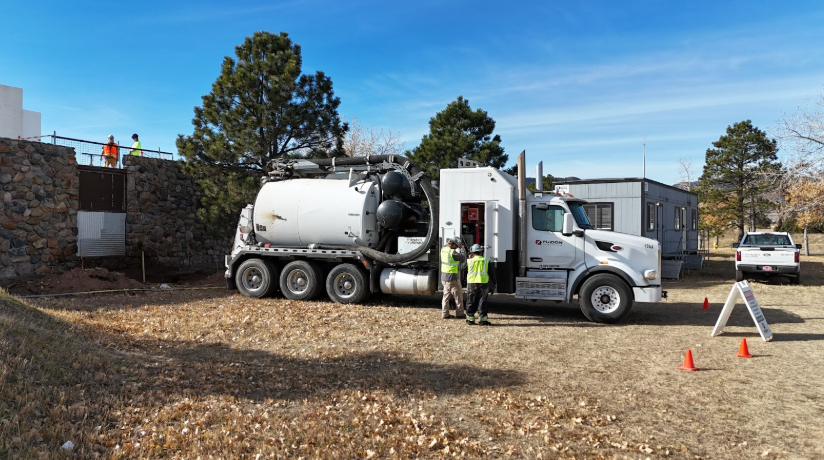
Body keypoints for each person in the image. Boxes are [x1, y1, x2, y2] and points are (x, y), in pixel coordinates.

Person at [465, 244, 496, 326]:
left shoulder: (469, 261)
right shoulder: (486, 261)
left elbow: (462, 267)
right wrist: (494, 283)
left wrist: (469, 258)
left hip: (472, 283)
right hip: (483, 284)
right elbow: (492, 274)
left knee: (471, 301)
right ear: (481, 252)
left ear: (472, 252)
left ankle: (470, 319)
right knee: (482, 302)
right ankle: (483, 320)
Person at [440, 237, 466, 319]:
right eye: (457, 246)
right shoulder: (452, 253)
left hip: (444, 277)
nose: (457, 247)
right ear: (453, 244)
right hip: (452, 277)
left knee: (446, 296)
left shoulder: (443, 249)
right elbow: (462, 257)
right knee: (458, 296)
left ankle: (445, 314)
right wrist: (462, 249)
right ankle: (460, 313)